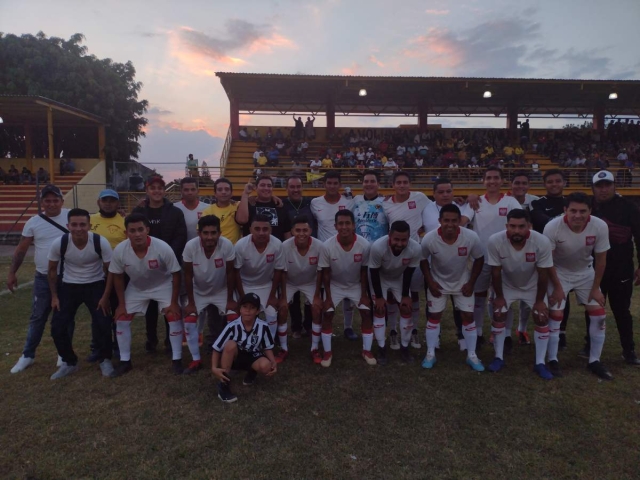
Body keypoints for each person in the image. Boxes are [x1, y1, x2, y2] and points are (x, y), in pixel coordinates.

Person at [543, 192, 612, 380]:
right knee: (556, 314)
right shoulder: (552, 227)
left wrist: (596, 288)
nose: (578, 215)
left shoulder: (599, 225)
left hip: (585, 272)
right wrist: (557, 287)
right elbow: (547, 261)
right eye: (573, 210)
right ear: (565, 210)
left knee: (599, 316)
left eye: (583, 211)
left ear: (590, 210)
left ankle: (594, 360)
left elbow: (601, 260)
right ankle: (553, 359)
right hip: (558, 272)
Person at [108, 213, 183, 377]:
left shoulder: (162, 247)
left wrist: (174, 302)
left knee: (173, 315)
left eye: (140, 229)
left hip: (163, 284)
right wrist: (121, 305)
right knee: (121, 318)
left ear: (147, 230)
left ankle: (177, 360)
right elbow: (118, 276)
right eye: (132, 230)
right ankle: (125, 361)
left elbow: (176, 274)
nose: (137, 234)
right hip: (137, 287)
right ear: (126, 232)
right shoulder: (120, 250)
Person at [9, 185, 70, 374]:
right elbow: (21, 250)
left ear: (62, 201)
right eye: (47, 200)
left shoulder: (71, 216)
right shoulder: (33, 222)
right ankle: (27, 355)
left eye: (55, 200)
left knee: (65, 317)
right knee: (38, 317)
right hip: (44, 277)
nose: (51, 204)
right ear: (42, 202)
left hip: (68, 276)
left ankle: (64, 353)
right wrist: (12, 272)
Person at [487, 209, 554, 378]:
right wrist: (500, 297)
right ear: (506, 226)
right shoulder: (495, 240)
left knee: (541, 316)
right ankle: (498, 357)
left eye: (521, 226)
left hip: (532, 286)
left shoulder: (541, 241)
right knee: (498, 313)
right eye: (512, 226)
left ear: (529, 226)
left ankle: (540, 362)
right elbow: (495, 272)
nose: (516, 231)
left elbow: (543, 273)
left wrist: (540, 301)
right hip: (507, 284)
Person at [48, 208, 114, 379]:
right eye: (74, 225)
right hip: (69, 286)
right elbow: (52, 270)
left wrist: (106, 296)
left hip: (95, 285)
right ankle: (69, 362)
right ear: (68, 225)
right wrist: (54, 297)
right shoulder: (60, 243)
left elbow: (111, 271)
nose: (78, 228)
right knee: (57, 327)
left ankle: (105, 359)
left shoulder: (100, 242)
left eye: (82, 224)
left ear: (89, 225)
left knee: (104, 323)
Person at [420, 204, 485, 371]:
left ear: (459, 221)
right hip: (438, 283)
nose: (450, 224)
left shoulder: (471, 237)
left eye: (454, 221)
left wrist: (471, 283)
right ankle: (430, 353)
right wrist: (430, 282)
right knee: (434, 315)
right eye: (446, 220)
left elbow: (479, 259)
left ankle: (472, 355)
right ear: (440, 221)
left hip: (462, 283)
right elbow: (422, 260)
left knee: (468, 316)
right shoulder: (429, 238)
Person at [463, 166, 521, 350]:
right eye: (488, 178)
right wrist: (464, 199)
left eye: (496, 177)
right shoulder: (476, 202)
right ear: (483, 181)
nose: (492, 181)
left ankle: (506, 334)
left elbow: (521, 223)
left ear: (502, 180)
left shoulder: (511, 201)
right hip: (482, 258)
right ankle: (479, 333)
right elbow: (462, 221)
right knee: (478, 297)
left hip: (505, 259)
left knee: (503, 299)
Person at [585, 171, 640, 365]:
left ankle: (629, 349)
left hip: (621, 268)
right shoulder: (587, 206)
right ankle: (589, 345)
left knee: (622, 310)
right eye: (599, 186)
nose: (604, 189)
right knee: (591, 309)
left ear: (614, 186)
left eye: (607, 185)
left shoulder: (629, 207)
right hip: (593, 268)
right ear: (593, 188)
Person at [133, 175, 187, 354]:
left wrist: (168, 256)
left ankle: (170, 340)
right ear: (147, 191)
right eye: (152, 188)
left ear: (164, 191)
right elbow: (133, 235)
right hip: (145, 265)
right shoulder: (139, 212)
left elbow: (181, 236)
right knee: (149, 304)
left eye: (159, 187)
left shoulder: (174, 212)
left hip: (168, 265)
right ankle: (151, 339)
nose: (156, 191)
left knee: (169, 304)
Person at [382, 171, 432, 350]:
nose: (402, 185)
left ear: (409, 184)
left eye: (405, 182)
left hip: (413, 253)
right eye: (398, 182)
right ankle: (393, 331)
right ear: (393, 185)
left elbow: (436, 209)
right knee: (391, 294)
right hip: (393, 254)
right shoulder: (385, 204)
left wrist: (462, 199)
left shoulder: (420, 198)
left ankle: (415, 329)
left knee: (414, 293)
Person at [319, 210, 374, 367]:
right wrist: (328, 297)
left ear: (354, 225)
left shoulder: (364, 244)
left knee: (366, 312)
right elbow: (326, 273)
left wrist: (364, 294)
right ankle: (328, 352)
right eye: (341, 223)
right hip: (335, 284)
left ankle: (367, 350)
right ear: (335, 226)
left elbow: (364, 271)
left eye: (347, 223)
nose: (344, 227)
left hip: (355, 284)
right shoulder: (327, 246)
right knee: (328, 314)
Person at [182, 214, 236, 373]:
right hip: (199, 292)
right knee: (190, 321)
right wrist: (191, 302)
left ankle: (231, 356)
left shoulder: (226, 245)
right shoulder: (190, 246)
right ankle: (196, 360)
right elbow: (187, 274)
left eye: (213, 233)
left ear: (219, 233)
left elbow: (231, 273)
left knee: (234, 318)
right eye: (206, 233)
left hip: (221, 290)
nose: (210, 237)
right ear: (199, 233)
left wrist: (230, 299)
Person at [421, 178, 471, 349]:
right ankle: (436, 337)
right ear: (433, 193)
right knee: (433, 302)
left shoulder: (464, 207)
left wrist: (471, 196)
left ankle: (462, 336)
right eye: (440, 192)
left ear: (453, 192)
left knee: (460, 304)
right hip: (433, 264)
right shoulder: (425, 207)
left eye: (448, 191)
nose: (445, 195)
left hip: (458, 265)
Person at [234, 215, 289, 362]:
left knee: (271, 313)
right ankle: (242, 345)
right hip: (245, 284)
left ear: (270, 230)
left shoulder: (277, 244)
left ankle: (267, 345)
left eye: (265, 229)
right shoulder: (240, 245)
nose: (261, 232)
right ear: (250, 229)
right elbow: (236, 272)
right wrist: (241, 296)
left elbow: (278, 271)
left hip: (266, 285)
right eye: (257, 229)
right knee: (244, 314)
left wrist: (272, 295)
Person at [310, 171, 358, 340]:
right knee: (325, 289)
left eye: (334, 183)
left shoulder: (348, 202)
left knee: (348, 287)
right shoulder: (315, 203)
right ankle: (323, 323)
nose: (331, 186)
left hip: (345, 250)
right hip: (325, 252)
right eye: (328, 183)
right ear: (325, 184)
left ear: (339, 184)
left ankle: (348, 326)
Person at [369, 221, 421, 365]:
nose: (399, 243)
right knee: (379, 309)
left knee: (406, 308)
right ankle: (381, 348)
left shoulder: (415, 248)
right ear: (389, 236)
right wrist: (379, 297)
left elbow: (409, 272)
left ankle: (404, 348)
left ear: (409, 237)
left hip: (399, 278)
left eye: (404, 240)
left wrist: (405, 295)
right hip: (380, 277)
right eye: (396, 239)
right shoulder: (378, 247)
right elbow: (373, 272)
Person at [530, 169, 571, 349]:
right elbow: (542, 221)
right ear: (544, 184)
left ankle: (560, 332)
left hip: (567, 256)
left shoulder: (570, 202)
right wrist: (565, 219)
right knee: (542, 295)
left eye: (558, 181)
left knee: (563, 296)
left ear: (564, 183)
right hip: (543, 258)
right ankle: (541, 329)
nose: (554, 184)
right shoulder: (537, 203)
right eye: (550, 181)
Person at [211, 293, 277, 403]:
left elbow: (267, 347)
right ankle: (224, 386)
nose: (248, 311)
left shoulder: (263, 326)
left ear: (257, 311)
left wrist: (273, 362)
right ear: (240, 309)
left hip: (252, 355)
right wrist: (214, 367)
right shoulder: (232, 326)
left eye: (252, 308)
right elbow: (217, 348)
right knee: (230, 345)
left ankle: (252, 371)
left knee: (266, 366)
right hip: (235, 357)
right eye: (245, 307)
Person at [88, 189, 127, 362]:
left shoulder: (124, 221)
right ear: (99, 202)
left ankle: (119, 346)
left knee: (118, 310)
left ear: (118, 203)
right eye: (105, 200)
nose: (108, 203)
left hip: (119, 274)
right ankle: (98, 347)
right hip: (96, 275)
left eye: (112, 200)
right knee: (99, 313)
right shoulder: (90, 221)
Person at [281, 216, 323, 362]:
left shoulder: (319, 246)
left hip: (310, 282)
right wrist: (283, 297)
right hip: (290, 282)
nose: (301, 233)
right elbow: (282, 272)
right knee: (282, 309)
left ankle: (315, 348)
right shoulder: (284, 246)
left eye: (305, 230)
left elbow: (321, 272)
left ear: (311, 230)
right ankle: (283, 348)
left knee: (317, 308)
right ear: (292, 231)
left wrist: (317, 296)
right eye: (297, 230)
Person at [507, 171, 540, 345]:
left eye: (524, 183)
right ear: (510, 184)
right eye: (516, 182)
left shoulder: (535, 201)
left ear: (528, 185)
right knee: (502, 294)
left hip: (529, 252)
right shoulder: (504, 199)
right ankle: (503, 332)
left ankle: (522, 328)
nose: (520, 186)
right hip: (507, 251)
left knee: (527, 293)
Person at [282, 177, 317, 337]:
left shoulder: (311, 203)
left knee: (312, 293)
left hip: (311, 249)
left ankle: (309, 325)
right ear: (286, 188)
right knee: (293, 295)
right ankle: (296, 326)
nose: (295, 190)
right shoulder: (282, 204)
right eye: (292, 187)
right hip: (290, 250)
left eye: (298, 186)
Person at [236, 176, 291, 242]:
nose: (266, 188)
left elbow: (286, 231)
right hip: (251, 248)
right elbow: (241, 220)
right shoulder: (248, 204)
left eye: (269, 186)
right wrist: (245, 193)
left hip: (276, 249)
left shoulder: (280, 205)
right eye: (262, 185)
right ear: (256, 188)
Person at [202, 178, 242, 244]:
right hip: (215, 250)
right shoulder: (208, 211)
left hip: (234, 250)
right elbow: (202, 232)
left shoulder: (238, 206)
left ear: (231, 193)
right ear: (215, 194)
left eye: (227, 189)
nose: (223, 192)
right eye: (220, 190)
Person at [352, 171, 388, 242]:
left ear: (378, 184)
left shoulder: (386, 202)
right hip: (359, 248)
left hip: (379, 249)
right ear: (362, 184)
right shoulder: (355, 201)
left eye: (372, 181)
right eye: (366, 181)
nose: (369, 184)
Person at [174, 177, 209, 242]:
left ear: (198, 191)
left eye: (193, 189)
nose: (190, 192)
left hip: (202, 248)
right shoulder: (174, 208)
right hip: (180, 249)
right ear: (181, 191)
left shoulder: (208, 208)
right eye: (186, 190)